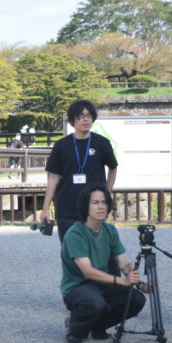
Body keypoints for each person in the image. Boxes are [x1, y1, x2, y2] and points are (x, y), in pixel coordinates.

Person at [61, 185, 148, 343]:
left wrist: (140, 284)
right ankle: (75, 327)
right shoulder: (75, 233)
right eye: (95, 202)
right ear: (85, 206)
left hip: (101, 283)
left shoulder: (109, 230)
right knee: (95, 303)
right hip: (77, 286)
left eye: (104, 202)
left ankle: (97, 326)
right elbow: (88, 272)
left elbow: (123, 263)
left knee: (136, 299)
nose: (101, 206)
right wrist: (122, 281)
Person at [40, 100, 118, 242]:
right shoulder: (61, 146)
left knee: (95, 252)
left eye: (89, 115)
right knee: (70, 253)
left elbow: (113, 167)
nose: (86, 119)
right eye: (81, 115)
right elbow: (53, 178)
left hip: (94, 210)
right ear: (72, 119)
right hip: (66, 208)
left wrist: (107, 192)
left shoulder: (101, 143)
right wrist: (45, 208)